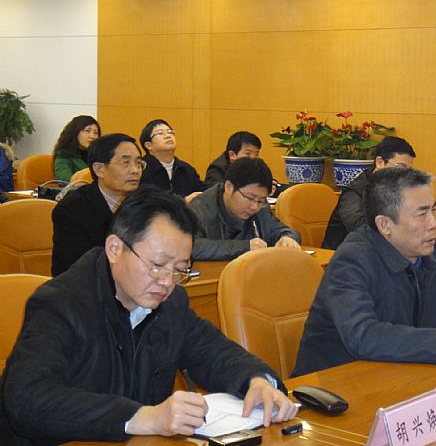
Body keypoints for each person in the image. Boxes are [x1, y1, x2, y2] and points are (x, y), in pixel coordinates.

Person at [1, 186, 296, 445]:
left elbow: (213, 351)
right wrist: (143, 417)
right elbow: (27, 398)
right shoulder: (61, 303)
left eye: (179, 269)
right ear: (114, 248)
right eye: (157, 265)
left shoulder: (171, 303)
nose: (167, 281)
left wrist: (257, 381)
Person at [293, 167, 436, 377]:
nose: (433, 223)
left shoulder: (432, 253)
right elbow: (364, 336)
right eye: (421, 214)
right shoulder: (351, 261)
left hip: (403, 378)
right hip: (334, 389)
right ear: (385, 225)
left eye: (433, 210)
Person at [51, 133, 144, 276]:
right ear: (99, 169)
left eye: (138, 163)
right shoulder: (72, 209)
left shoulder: (145, 202)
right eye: (125, 162)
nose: (135, 170)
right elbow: (80, 267)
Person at [188, 157, 301, 261]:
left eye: (261, 200)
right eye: (249, 198)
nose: (254, 207)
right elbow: (190, 246)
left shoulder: (261, 206)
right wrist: (244, 247)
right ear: (229, 187)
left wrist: (287, 238)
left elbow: (283, 230)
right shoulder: (199, 209)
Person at [321, 136, 416, 250]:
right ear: (379, 162)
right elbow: (360, 229)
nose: (404, 176)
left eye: (408, 171)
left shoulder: (395, 190)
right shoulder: (353, 193)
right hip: (345, 256)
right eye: (400, 168)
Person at [138, 119, 206, 200]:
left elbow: (203, 193)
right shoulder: (141, 168)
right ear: (148, 145)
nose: (168, 136)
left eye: (170, 132)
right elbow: (146, 199)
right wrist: (182, 201)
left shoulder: (186, 169)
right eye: (160, 133)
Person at [51, 114, 101, 181]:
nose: (92, 136)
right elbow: (64, 179)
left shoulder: (99, 154)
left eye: (96, 133)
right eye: (87, 131)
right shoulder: (63, 155)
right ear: (75, 133)